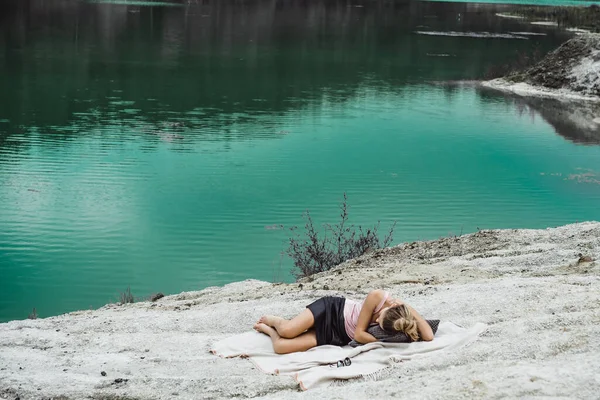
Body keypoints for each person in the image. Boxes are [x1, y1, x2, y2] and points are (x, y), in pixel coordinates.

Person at [253, 289, 434, 354]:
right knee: (287, 331)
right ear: (390, 306)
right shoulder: (377, 296)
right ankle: (276, 321)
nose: (377, 319)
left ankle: (268, 331)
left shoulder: (399, 320)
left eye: (379, 322)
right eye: (380, 315)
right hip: (332, 310)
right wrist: (381, 343)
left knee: (280, 348)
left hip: (338, 336)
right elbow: (359, 334)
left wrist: (409, 308)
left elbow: (428, 336)